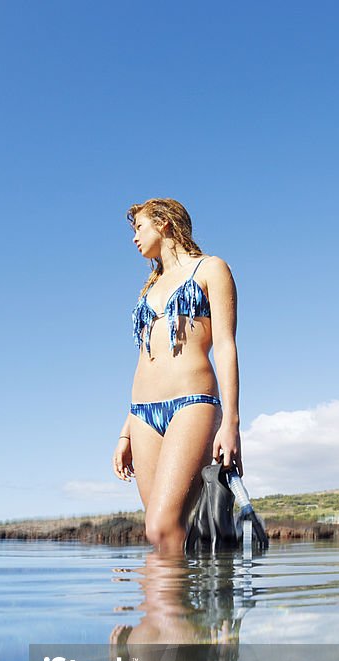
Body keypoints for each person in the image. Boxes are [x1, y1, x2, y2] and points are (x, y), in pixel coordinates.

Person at [113, 198, 242, 555]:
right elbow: (145, 358)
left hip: (192, 403)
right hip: (142, 414)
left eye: (139, 227)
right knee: (162, 537)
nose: (134, 238)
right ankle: (164, 610)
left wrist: (230, 422)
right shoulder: (149, 287)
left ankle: (174, 606)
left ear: (164, 222)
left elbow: (226, 346)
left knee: (163, 526)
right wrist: (125, 430)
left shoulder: (210, 269)